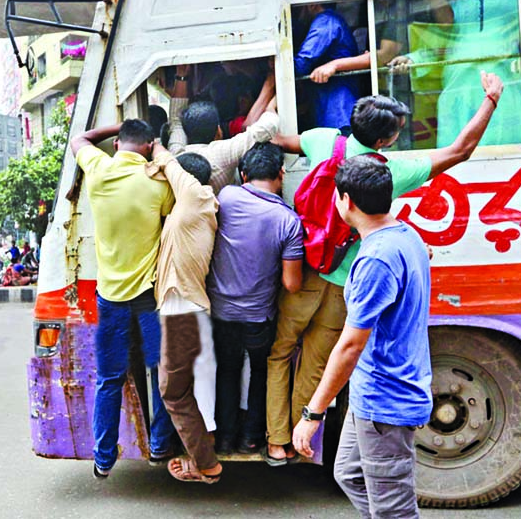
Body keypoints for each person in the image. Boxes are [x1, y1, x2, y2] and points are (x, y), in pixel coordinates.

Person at [266, 72, 503, 464]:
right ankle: (297, 442)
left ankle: (275, 439)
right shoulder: (390, 171)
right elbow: (461, 150)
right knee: (315, 363)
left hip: (307, 271)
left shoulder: (324, 140)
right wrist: (490, 100)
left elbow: (279, 142)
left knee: (279, 354)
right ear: (385, 140)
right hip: (344, 285)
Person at [292, 156, 432, 518]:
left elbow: (350, 345)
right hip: (370, 396)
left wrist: (313, 413)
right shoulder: (405, 236)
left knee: (394, 512)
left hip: (386, 402)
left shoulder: (377, 259)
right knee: (349, 474)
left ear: (346, 201)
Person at [70, 119, 176, 479]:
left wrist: (115, 127)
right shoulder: (157, 182)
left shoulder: (98, 170)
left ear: (118, 144)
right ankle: (160, 445)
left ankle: (103, 458)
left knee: (109, 378)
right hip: (148, 296)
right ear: (148, 146)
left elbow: (80, 139)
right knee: (160, 370)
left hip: (110, 297)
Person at [389, 0, 521, 147]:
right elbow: (440, 49)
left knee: (504, 163)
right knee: (452, 166)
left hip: (502, 95)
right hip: (457, 95)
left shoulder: (515, 1)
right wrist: (412, 59)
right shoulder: (453, 7)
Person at [207, 143, 304, 455]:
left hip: (220, 311)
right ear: (281, 174)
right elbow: (291, 284)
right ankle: (252, 438)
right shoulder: (287, 220)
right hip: (259, 317)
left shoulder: (226, 197)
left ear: (244, 174)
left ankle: (224, 438)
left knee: (228, 370)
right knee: (262, 372)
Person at [147, 143, 222, 484]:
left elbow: (171, 166)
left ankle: (206, 465)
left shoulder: (195, 198)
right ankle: (204, 456)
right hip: (186, 309)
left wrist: (157, 150)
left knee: (173, 391)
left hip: (182, 311)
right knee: (193, 389)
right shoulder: (196, 208)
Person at [167, 64, 279, 193]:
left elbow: (176, 121)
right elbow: (265, 129)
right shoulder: (221, 154)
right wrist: (271, 104)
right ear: (218, 132)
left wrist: (181, 75)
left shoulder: (176, 153)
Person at [294, 2, 360, 130]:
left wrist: (273, 70)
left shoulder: (325, 21)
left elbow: (303, 62)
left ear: (312, 5)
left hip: (337, 109)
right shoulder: (333, 20)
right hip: (333, 109)